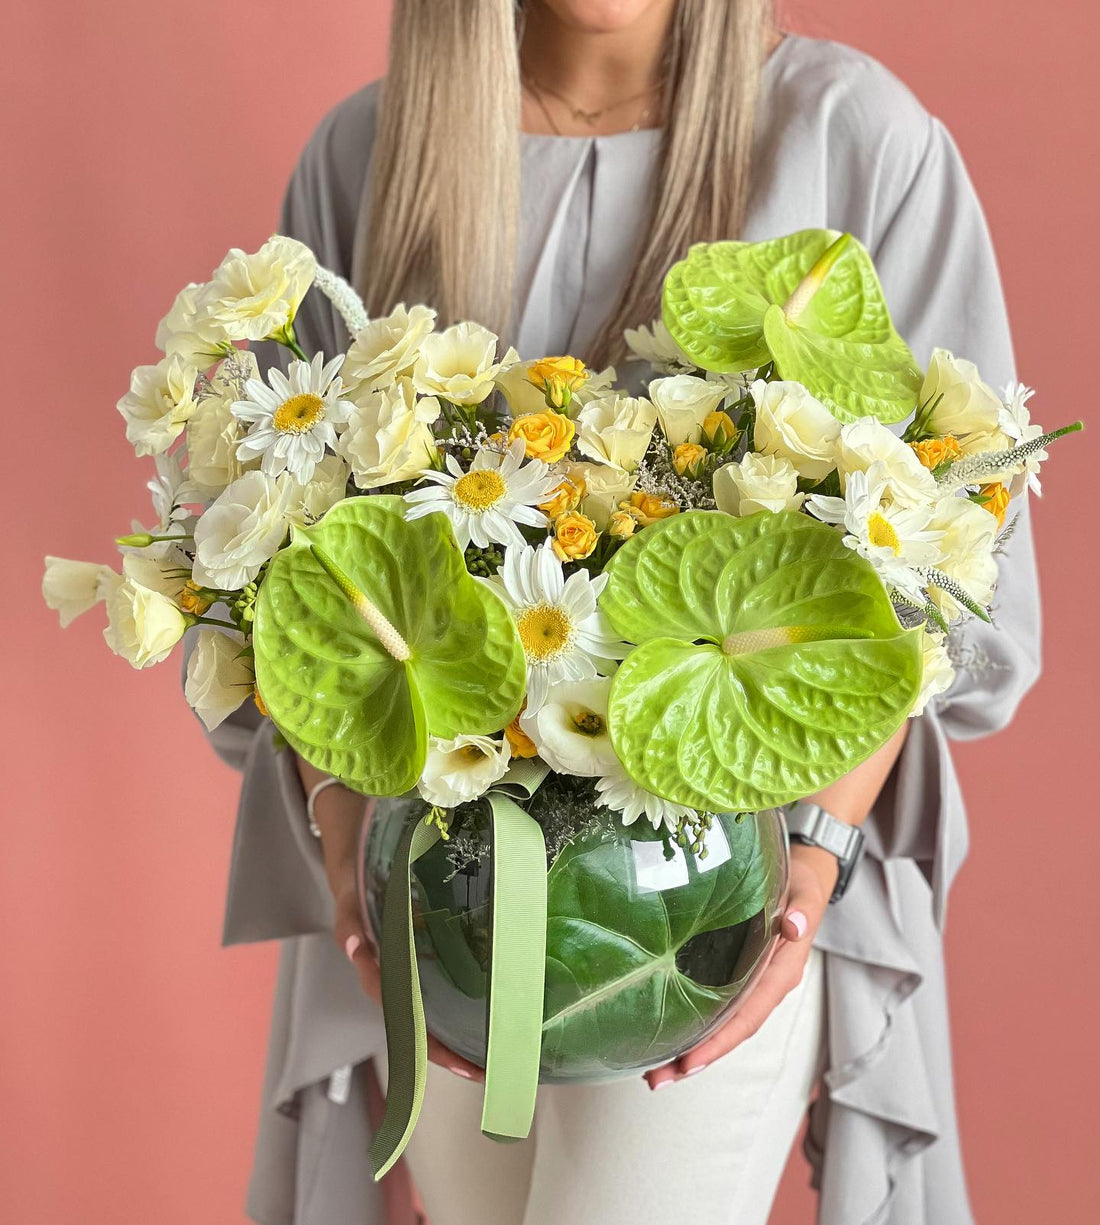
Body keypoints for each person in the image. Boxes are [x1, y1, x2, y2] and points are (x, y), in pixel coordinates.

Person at [198, 3, 1042, 1223]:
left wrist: (809, 877)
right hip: (446, 903)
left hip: (706, 897)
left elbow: (935, 576)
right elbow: (293, 570)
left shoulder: (852, 136)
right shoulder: (369, 150)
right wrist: (345, 843)